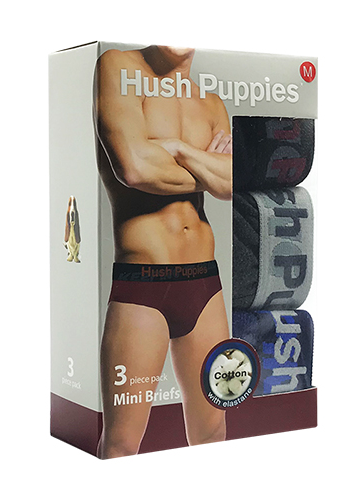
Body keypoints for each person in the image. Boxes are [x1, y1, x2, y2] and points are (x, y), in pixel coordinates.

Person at [94, 45, 232, 459]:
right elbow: (134, 167)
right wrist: (208, 166)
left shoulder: (211, 102)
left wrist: (178, 149)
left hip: (205, 284)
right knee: (121, 443)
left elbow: (233, 184)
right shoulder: (118, 66)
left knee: (213, 433)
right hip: (144, 283)